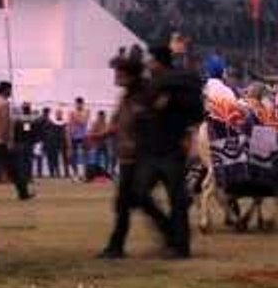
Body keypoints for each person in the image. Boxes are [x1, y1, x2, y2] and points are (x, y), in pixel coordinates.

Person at [133, 45, 204, 259]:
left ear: (159, 61)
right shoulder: (155, 84)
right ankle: (171, 234)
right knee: (140, 194)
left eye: (151, 60)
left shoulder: (177, 84)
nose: (148, 64)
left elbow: (195, 112)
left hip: (171, 148)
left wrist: (186, 131)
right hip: (153, 149)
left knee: (176, 199)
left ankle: (181, 246)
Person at [97, 57, 171, 259]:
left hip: (140, 158)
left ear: (129, 75)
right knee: (138, 201)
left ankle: (116, 246)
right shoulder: (125, 97)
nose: (116, 76)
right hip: (126, 158)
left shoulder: (143, 97)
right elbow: (116, 123)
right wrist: (99, 135)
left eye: (119, 72)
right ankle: (170, 233)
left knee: (128, 202)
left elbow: (153, 123)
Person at [0, 81, 31, 201]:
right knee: (13, 168)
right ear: (6, 90)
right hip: (1, 141)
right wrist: (8, 141)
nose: (11, 92)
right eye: (10, 89)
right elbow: (4, 124)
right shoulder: (4, 104)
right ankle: (23, 193)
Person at [67, 97, 90, 181]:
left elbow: (84, 122)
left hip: (83, 136)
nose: (79, 105)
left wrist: (75, 118)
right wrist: (69, 136)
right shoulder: (72, 112)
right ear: (76, 104)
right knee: (73, 156)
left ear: (83, 103)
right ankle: (76, 174)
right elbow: (69, 125)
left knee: (85, 156)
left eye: (80, 103)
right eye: (77, 103)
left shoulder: (86, 111)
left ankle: (85, 174)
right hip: (74, 136)